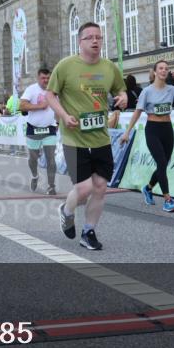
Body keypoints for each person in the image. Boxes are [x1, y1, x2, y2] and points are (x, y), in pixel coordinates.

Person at [47, 22, 127, 251]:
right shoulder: (65, 66)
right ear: (79, 42)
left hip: (100, 138)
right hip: (74, 138)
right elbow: (50, 95)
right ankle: (66, 211)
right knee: (83, 189)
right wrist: (63, 115)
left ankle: (88, 231)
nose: (95, 41)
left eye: (99, 37)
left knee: (100, 187)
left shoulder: (109, 67)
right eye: (90, 37)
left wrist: (122, 98)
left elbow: (120, 90)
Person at [121, 60, 174, 213]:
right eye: (161, 68)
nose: (164, 71)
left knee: (163, 164)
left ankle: (148, 188)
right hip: (152, 129)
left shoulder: (172, 89)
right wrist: (127, 132)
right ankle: (167, 200)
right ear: (155, 72)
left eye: (166, 68)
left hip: (167, 129)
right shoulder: (147, 91)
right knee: (162, 162)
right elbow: (138, 112)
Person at [20, 68, 59, 196]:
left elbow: (59, 107)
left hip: (50, 129)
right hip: (33, 129)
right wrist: (39, 106)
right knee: (33, 159)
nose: (46, 80)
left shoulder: (54, 90)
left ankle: (51, 186)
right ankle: (35, 175)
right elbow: (22, 106)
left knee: (51, 159)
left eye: (48, 78)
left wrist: (58, 122)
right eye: (43, 78)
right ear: (38, 78)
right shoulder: (31, 89)